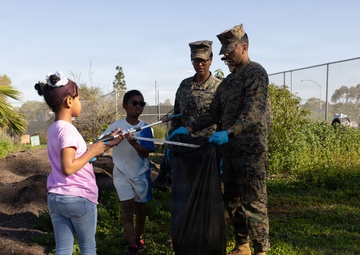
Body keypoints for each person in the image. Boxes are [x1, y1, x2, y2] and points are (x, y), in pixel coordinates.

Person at [171, 24, 271, 255]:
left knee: (254, 201)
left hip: (250, 150)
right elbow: (213, 113)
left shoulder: (255, 73)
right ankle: (242, 244)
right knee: (232, 199)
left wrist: (229, 131)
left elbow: (254, 112)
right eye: (224, 51)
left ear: (244, 48)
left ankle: (261, 249)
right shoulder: (227, 83)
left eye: (230, 50)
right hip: (229, 150)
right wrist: (187, 127)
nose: (225, 54)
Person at [34, 71, 122, 255]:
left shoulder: (54, 129)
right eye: (79, 98)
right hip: (79, 197)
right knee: (88, 248)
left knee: (64, 249)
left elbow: (76, 157)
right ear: (68, 101)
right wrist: (92, 151)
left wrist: (104, 145)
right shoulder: (69, 131)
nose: (80, 102)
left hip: (57, 197)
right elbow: (68, 167)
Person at [102, 90, 155, 255]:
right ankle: (132, 245)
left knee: (140, 209)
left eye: (141, 104)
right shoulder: (117, 126)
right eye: (134, 103)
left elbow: (146, 152)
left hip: (141, 175)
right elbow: (103, 142)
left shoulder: (146, 128)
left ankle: (139, 237)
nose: (138, 107)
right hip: (121, 173)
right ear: (125, 106)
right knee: (126, 207)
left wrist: (134, 143)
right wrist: (114, 138)